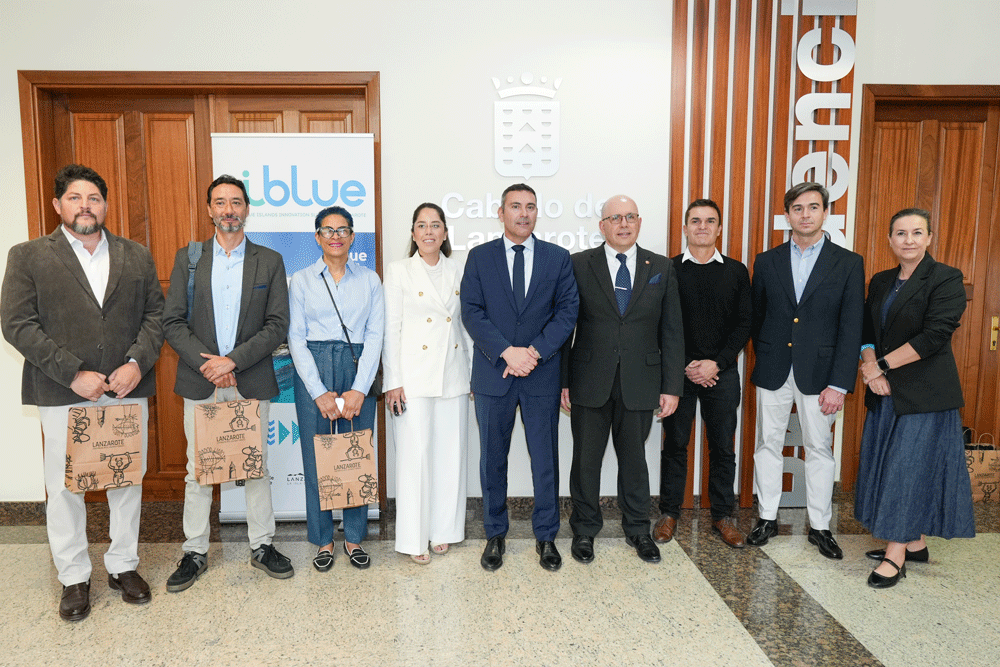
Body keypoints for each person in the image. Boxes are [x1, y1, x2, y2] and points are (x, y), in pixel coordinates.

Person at [0, 164, 163, 621]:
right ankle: (73, 576)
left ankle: (123, 566)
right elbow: (17, 324)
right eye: (75, 197)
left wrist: (135, 363)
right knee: (65, 487)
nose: (85, 205)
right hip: (63, 392)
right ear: (58, 205)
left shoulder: (136, 255)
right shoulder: (29, 255)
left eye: (93, 197)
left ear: (105, 205)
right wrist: (73, 374)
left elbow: (155, 315)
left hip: (125, 390)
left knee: (126, 481)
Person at [162, 175, 293, 592]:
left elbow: (277, 325)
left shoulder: (269, 260)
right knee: (197, 471)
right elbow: (173, 322)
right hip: (202, 381)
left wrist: (232, 361)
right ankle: (195, 550)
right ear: (209, 210)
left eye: (235, 202)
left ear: (247, 208)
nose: (228, 210)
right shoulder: (190, 258)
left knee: (254, 467)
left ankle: (262, 546)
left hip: (249, 378)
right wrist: (212, 366)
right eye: (220, 202)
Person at [461, 183, 579, 572]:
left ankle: (546, 536)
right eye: (516, 206)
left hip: (541, 375)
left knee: (545, 461)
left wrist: (534, 353)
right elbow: (472, 312)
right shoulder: (479, 257)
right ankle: (495, 534)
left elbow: (567, 312)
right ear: (501, 212)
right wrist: (507, 352)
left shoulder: (558, 258)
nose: (524, 213)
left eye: (530, 207)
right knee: (492, 460)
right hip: (494, 374)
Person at [855, 208, 975, 588]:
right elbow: (866, 330)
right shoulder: (881, 280)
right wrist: (871, 364)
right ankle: (915, 542)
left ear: (929, 238)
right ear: (890, 239)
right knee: (888, 466)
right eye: (901, 233)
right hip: (885, 391)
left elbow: (935, 335)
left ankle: (896, 555)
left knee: (906, 472)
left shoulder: (946, 278)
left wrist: (882, 367)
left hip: (925, 395)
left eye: (917, 232)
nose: (909, 239)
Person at [560, 195, 683, 564]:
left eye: (630, 217)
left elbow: (672, 331)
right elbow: (567, 326)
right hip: (588, 379)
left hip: (641, 381)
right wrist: (562, 381)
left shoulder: (660, 266)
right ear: (602, 226)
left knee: (635, 461)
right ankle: (584, 530)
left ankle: (637, 530)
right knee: (585, 461)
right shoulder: (579, 264)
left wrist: (671, 386)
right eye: (615, 218)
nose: (623, 223)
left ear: (640, 222)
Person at [747, 182, 864, 559]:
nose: (806, 214)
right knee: (767, 445)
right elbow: (757, 316)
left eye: (813, 207)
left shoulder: (848, 263)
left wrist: (840, 384)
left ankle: (820, 526)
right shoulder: (766, 261)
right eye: (798, 208)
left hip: (822, 376)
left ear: (825, 213)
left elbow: (851, 327)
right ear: (787, 216)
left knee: (819, 448)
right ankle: (766, 518)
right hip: (773, 369)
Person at [289, 205, 383, 570]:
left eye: (342, 230)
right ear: (317, 237)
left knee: (355, 456)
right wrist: (318, 391)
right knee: (317, 458)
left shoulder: (370, 280)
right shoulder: (301, 279)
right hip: (314, 365)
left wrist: (360, 388)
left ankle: (355, 538)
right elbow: (295, 338)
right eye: (328, 231)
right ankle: (323, 540)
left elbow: (376, 335)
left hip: (358, 364)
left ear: (352, 236)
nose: (335, 237)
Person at [655, 199, 752, 548]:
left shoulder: (737, 271)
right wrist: (683, 365)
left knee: (723, 447)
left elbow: (744, 324)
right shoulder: (667, 270)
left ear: (719, 229)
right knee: (675, 445)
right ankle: (668, 513)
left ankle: (723, 516)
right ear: (684, 228)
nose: (702, 227)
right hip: (677, 373)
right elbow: (659, 322)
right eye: (695, 221)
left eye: (710, 221)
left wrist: (717, 363)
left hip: (722, 373)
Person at [384, 203, 473, 564]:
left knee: (451, 456)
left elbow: (464, 325)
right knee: (414, 458)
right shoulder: (399, 270)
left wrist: (470, 376)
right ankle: (413, 538)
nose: (429, 232)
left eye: (436, 225)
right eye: (421, 225)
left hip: (452, 373)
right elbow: (392, 329)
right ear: (413, 233)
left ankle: (445, 531)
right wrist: (393, 381)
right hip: (413, 378)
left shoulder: (458, 269)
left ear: (445, 233)